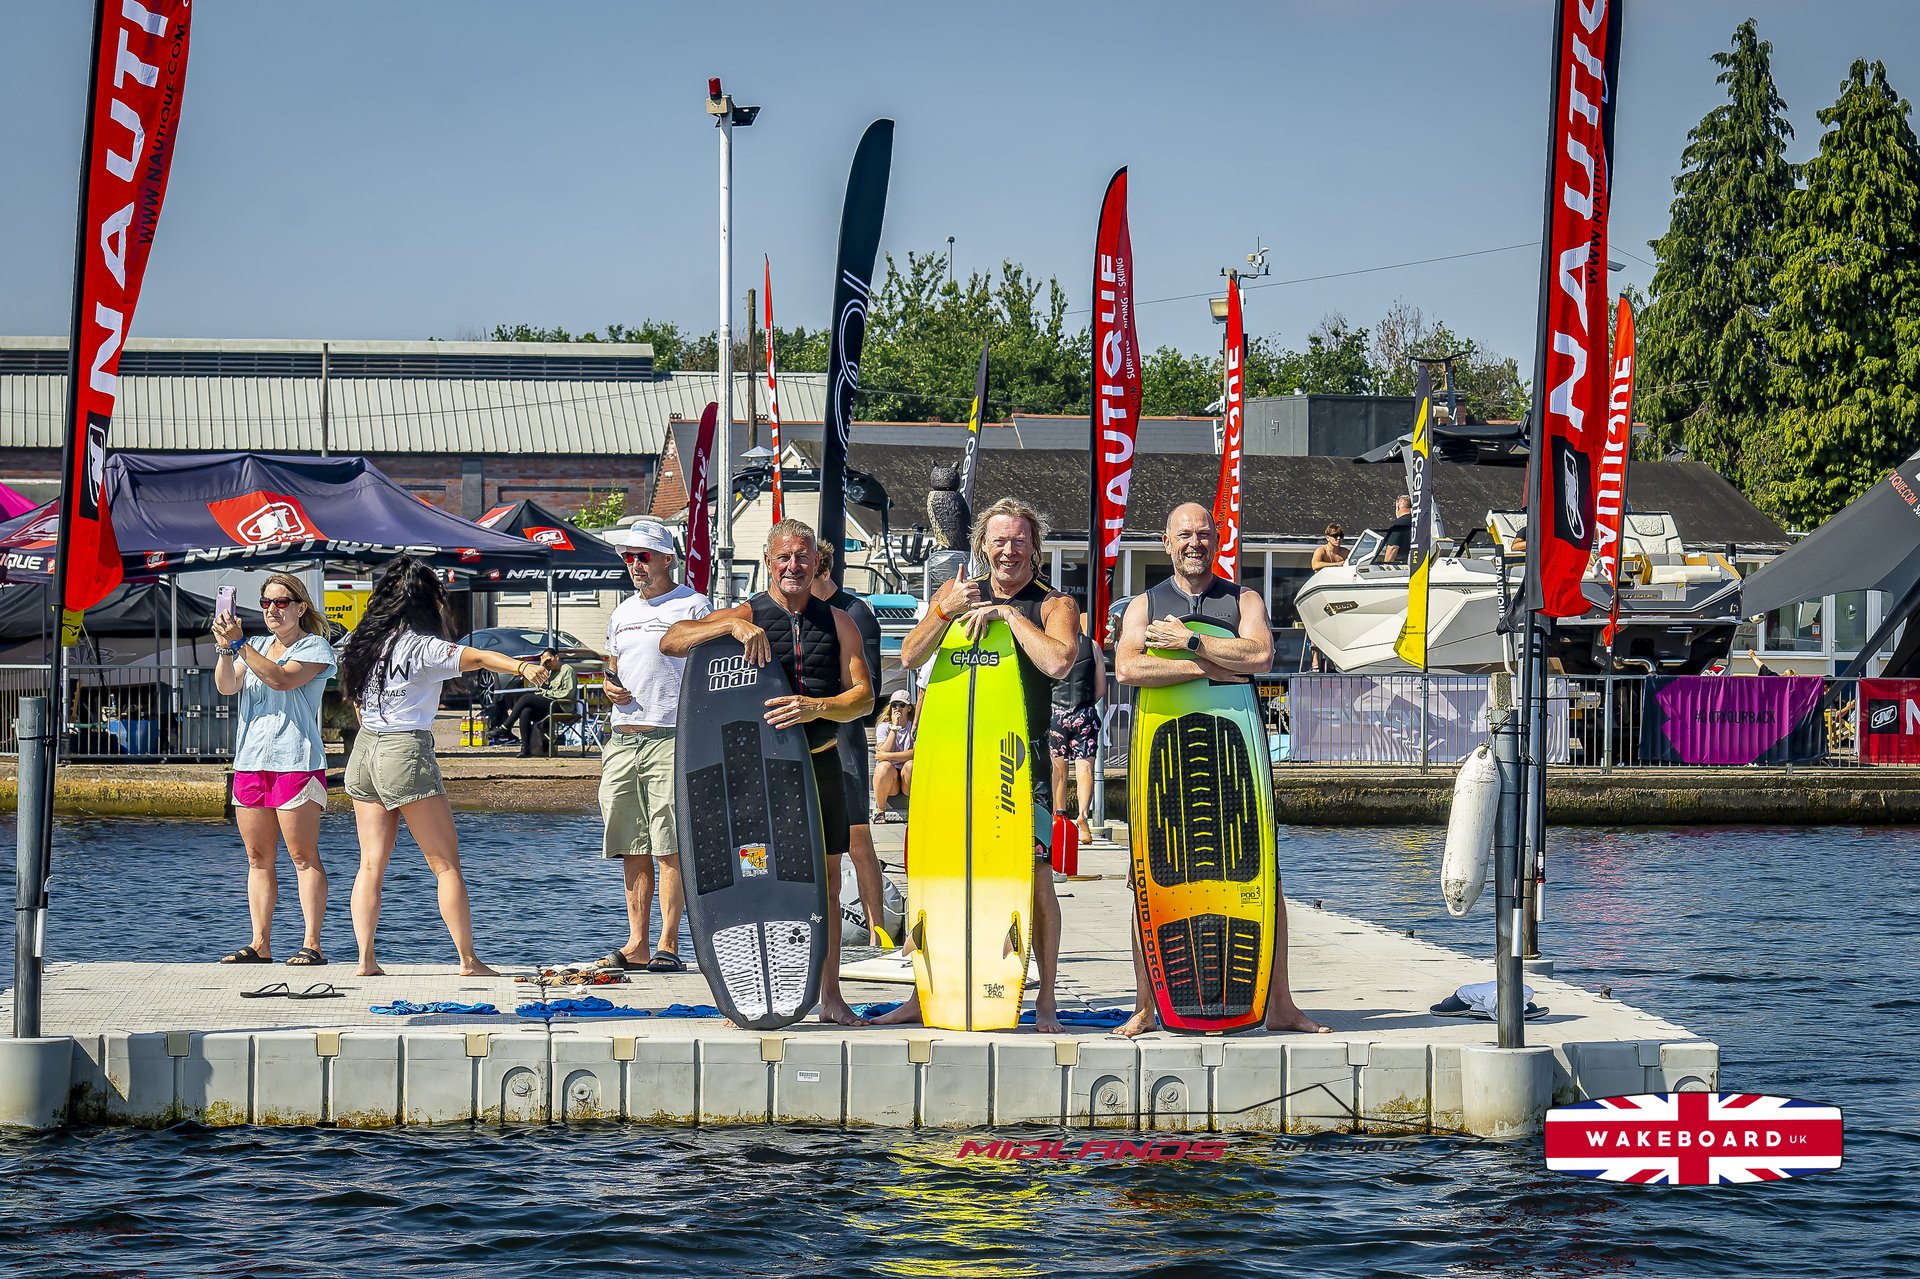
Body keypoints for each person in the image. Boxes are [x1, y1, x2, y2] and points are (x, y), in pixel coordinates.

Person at [1113, 502, 1329, 1039]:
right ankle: (1146, 1005)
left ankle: (1279, 1004)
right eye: (1184, 534)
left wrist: (1188, 643)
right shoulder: (1143, 605)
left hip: (1235, 754)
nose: (1194, 543)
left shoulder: (1243, 598)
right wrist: (1211, 664)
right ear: (1166, 542)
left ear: (1216, 541)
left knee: (1262, 878)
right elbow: (1126, 668)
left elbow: (1258, 657)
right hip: (1165, 756)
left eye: (1204, 534)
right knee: (1148, 879)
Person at [877, 497, 1080, 1034]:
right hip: (949, 764)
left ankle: (1046, 999)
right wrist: (946, 610)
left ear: (1035, 547)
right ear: (982, 546)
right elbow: (908, 657)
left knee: (1034, 877)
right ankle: (928, 993)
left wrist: (1010, 615)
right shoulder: (958, 594)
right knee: (935, 876)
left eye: (1019, 540)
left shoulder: (1052, 604)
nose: (1008, 550)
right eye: (999, 540)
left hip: (1020, 764)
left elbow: (1059, 662)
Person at [660, 519, 875, 1024]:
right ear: (769, 559)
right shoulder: (748, 611)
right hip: (759, 773)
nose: (793, 567)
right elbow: (673, 640)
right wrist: (729, 626)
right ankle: (756, 976)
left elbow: (862, 699)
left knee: (825, 881)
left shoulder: (839, 622)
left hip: (822, 763)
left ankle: (830, 997)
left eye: (802, 557)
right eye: (784, 558)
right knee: (754, 869)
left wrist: (817, 707)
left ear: (816, 562)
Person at [338, 554, 549, 978]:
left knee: (370, 864)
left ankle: (365, 960)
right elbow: (482, 658)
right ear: (428, 601)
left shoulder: (365, 644)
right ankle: (469, 961)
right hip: (403, 748)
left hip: (364, 750)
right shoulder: (422, 645)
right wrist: (524, 666)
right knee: (445, 864)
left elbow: (358, 704)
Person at [595, 520, 711, 973]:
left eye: (643, 556)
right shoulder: (621, 611)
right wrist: (608, 685)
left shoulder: (694, 605)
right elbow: (612, 663)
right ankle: (636, 942)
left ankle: (669, 943)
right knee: (630, 842)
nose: (635, 564)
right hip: (624, 737)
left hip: (671, 735)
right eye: (629, 556)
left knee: (669, 841)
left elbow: (710, 667)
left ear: (667, 559)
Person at [211, 572, 337, 967]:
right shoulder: (257, 646)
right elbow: (226, 687)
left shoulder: (315, 647)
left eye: (281, 602)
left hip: (296, 762)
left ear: (300, 607)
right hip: (251, 761)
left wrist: (241, 645)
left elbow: (282, 679)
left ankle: (312, 944)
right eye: (265, 603)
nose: (272, 610)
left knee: (303, 856)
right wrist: (226, 651)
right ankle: (259, 943)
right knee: (257, 858)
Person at [812, 543, 892, 946]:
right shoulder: (800, 613)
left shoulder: (854, 611)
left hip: (845, 736)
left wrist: (823, 701)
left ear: (822, 571)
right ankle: (820, 932)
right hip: (809, 737)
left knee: (857, 836)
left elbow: (870, 688)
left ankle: (878, 931)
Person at [1048, 615, 1106, 844]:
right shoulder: (1092, 646)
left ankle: (1059, 818)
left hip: (1056, 714)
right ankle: (1082, 818)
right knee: (1085, 770)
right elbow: (1101, 687)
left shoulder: (1051, 645)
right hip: (1084, 713)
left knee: (1058, 771)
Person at [486, 647, 577, 756]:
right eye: (545, 662)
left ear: (557, 657)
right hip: (550, 705)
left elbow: (568, 693)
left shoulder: (567, 670)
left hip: (562, 706)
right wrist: (542, 667)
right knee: (526, 711)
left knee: (527, 698)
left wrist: (548, 694)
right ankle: (525, 748)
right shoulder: (550, 672)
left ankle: (505, 727)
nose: (548, 664)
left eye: (549, 660)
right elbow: (540, 687)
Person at [872, 690, 916, 821]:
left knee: (910, 765)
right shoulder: (884, 727)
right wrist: (894, 729)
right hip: (891, 779)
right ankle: (881, 811)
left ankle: (914, 808)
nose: (897, 708)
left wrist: (887, 755)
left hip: (906, 777)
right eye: (894, 705)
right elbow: (882, 750)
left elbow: (915, 753)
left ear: (909, 708)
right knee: (883, 767)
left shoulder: (914, 727)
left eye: (902, 705)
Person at [1379, 495, 1413, 564]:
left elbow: (1392, 548)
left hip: (1401, 566)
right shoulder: (1417, 522)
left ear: (1398, 507)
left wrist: (1386, 566)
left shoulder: (1398, 524)